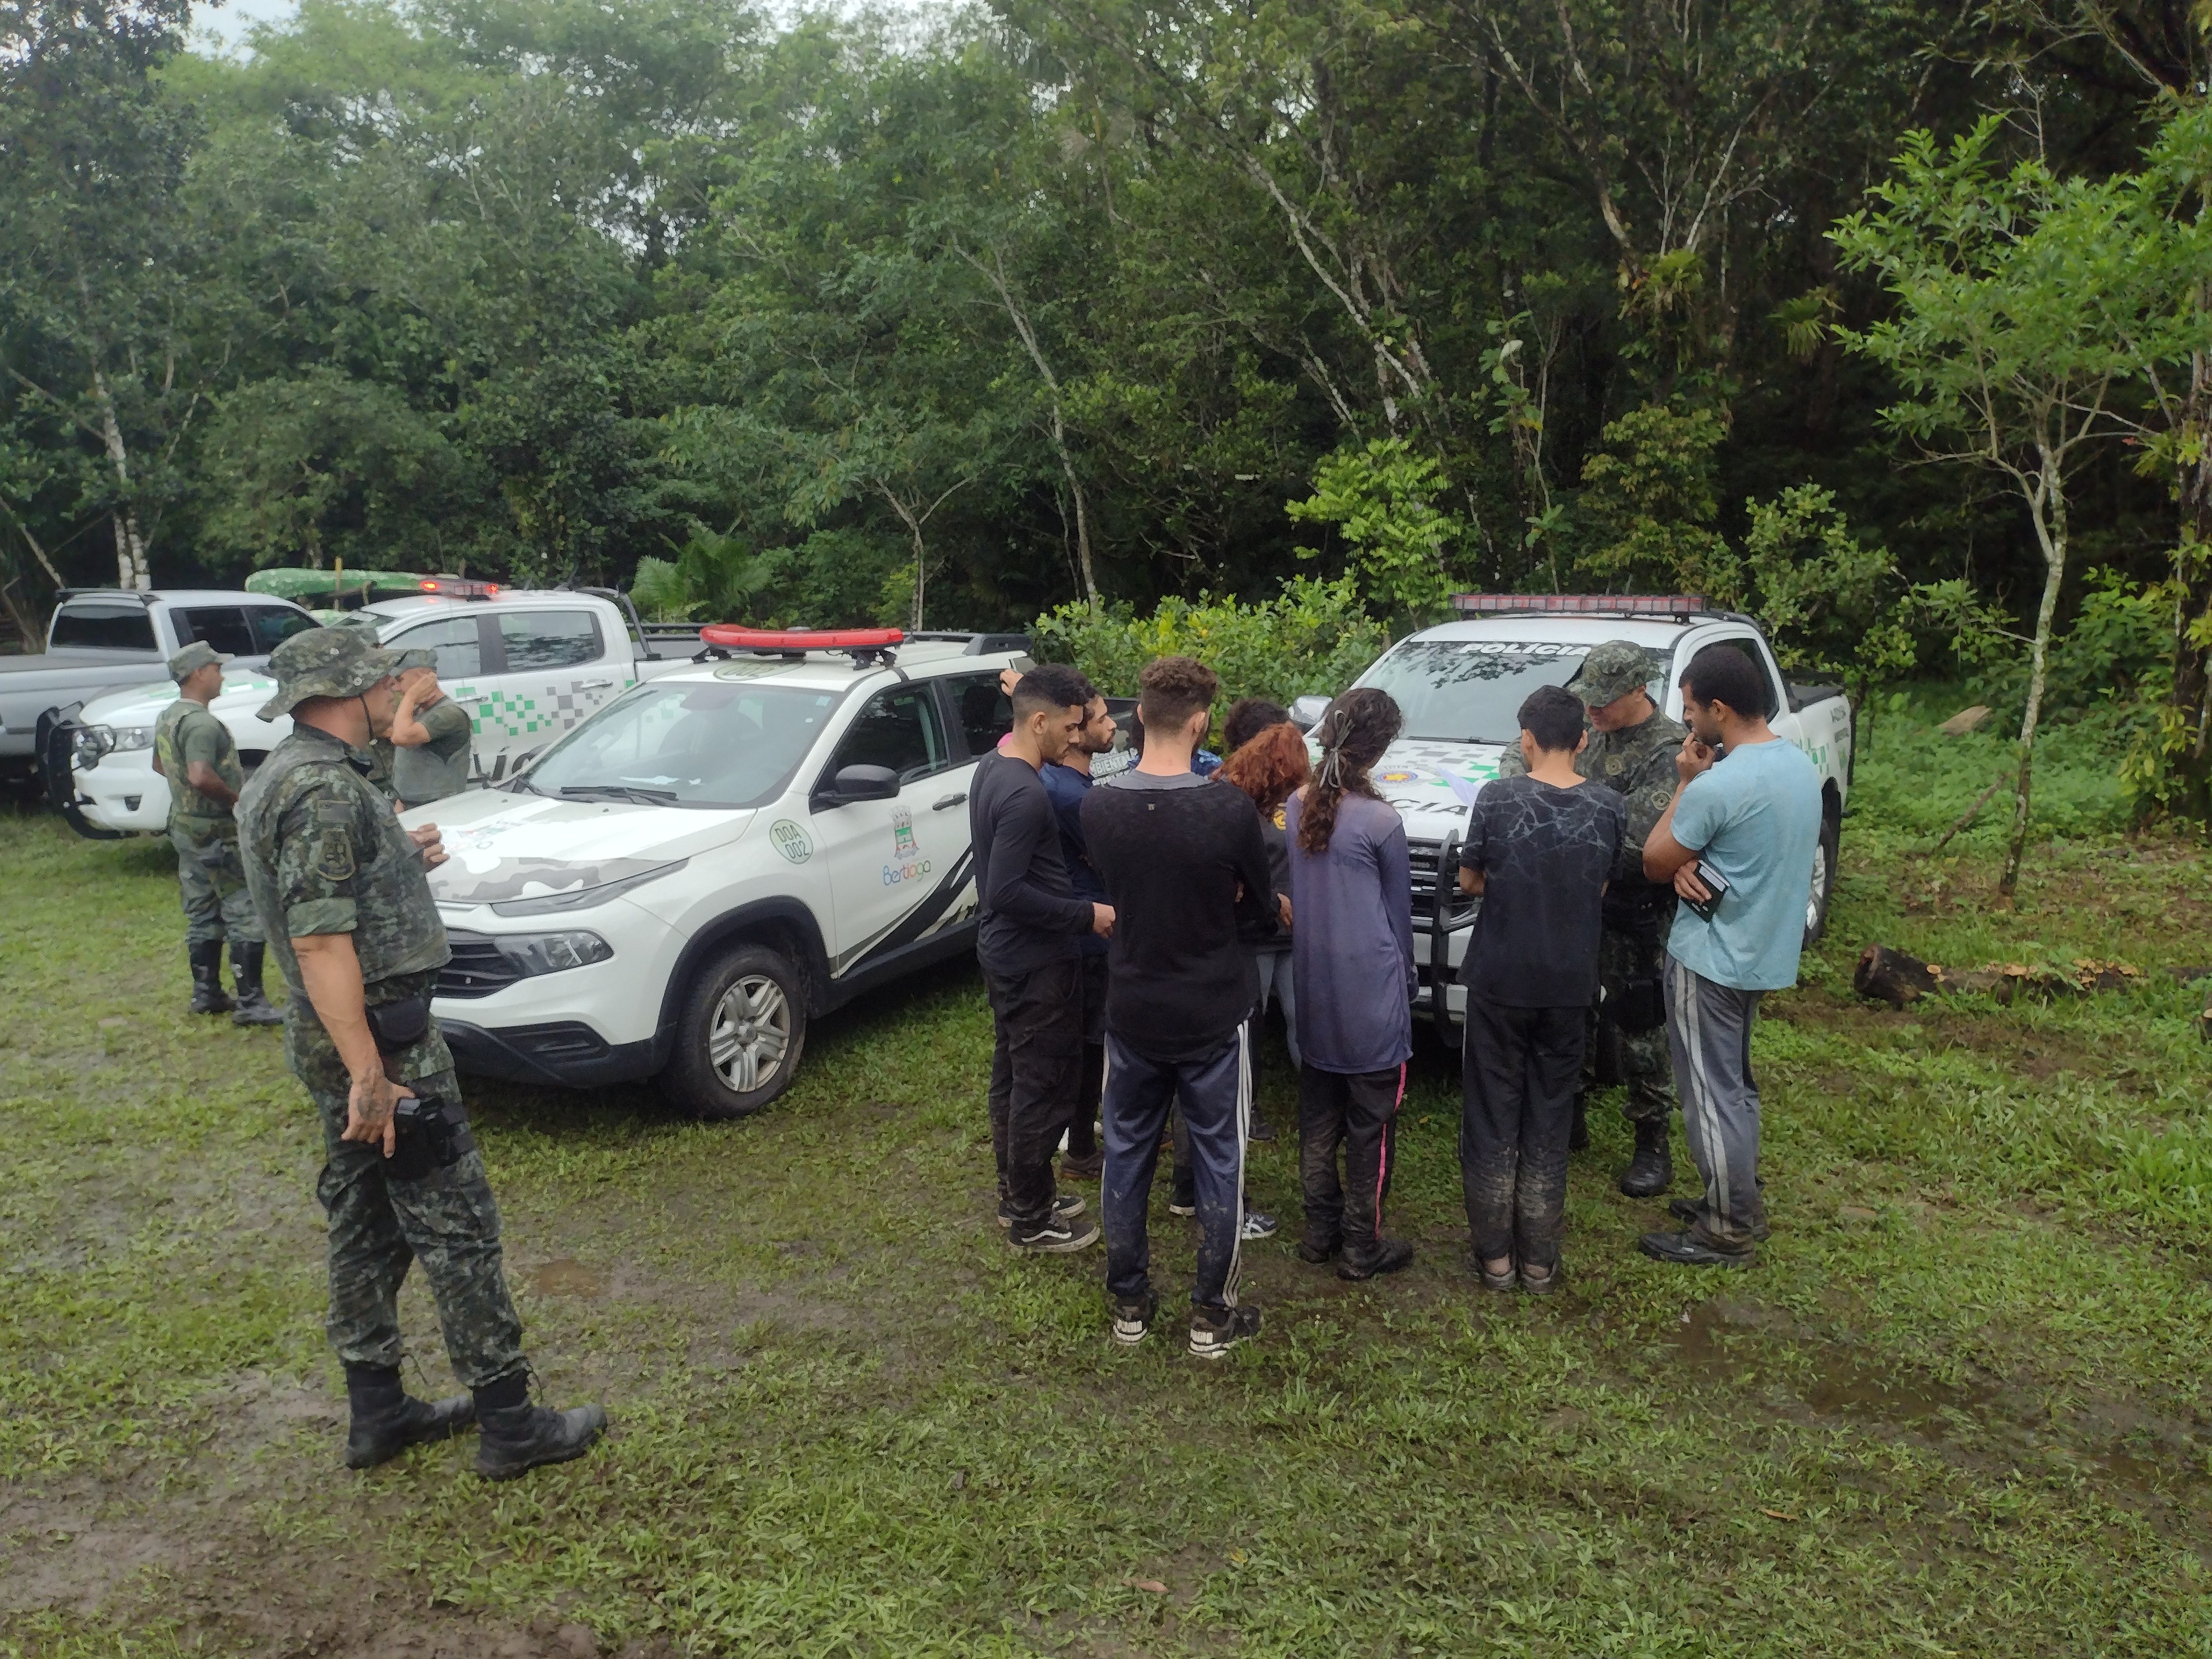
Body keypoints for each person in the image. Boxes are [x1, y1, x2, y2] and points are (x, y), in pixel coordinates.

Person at [236, 626, 607, 1478]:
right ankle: (511, 1423)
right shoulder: (324, 792)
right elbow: (322, 941)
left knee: (365, 1223)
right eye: (380, 682)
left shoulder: (286, 778)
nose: (391, 693)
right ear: (350, 691)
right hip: (381, 1041)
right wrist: (372, 1073)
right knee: (458, 1228)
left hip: (340, 1035)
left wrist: (400, 861)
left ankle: (379, 1413)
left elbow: (328, 898)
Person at [1083, 655, 1277, 1358]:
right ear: (1200, 723)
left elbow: (1117, 892)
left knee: (1126, 1153)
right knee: (1220, 1157)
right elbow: (1260, 911)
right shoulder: (1227, 808)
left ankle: (1129, 1302)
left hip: (1133, 1005)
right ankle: (1211, 1315)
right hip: (1211, 1013)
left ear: (1139, 716)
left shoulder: (1098, 805)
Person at [1637, 643, 1822, 1266]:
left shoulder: (1722, 784)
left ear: (1718, 708)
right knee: (1735, 1086)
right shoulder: (1795, 766)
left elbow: (1654, 860)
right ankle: (1736, 1197)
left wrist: (1685, 786)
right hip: (1762, 951)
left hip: (1709, 957)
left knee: (1711, 1094)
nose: (1687, 723)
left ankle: (1726, 1228)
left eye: (1690, 710)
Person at [1493, 640, 1688, 1194]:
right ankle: (1567, 1117)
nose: (1594, 711)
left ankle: (1651, 1140)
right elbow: (1519, 757)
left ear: (1639, 690)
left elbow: (1643, 845)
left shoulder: (1667, 749)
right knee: (1570, 1012)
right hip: (1575, 905)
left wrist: (1553, 826)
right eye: (1589, 701)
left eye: (1605, 701)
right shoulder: (1584, 725)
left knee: (1639, 1026)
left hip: (1633, 910)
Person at [1456, 685, 1626, 1293]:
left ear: (1525, 740)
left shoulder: (1497, 797)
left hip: (1500, 979)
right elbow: (1600, 887)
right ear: (1583, 739)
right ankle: (1537, 1260)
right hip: (1569, 985)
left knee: (1492, 1116)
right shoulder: (1608, 805)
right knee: (1549, 1118)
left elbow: (1470, 879)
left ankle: (1495, 1259)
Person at [971, 662, 1112, 1251]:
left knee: (1012, 1075)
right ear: (1038, 721)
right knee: (1042, 1087)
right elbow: (1004, 892)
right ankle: (1031, 1217)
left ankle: (1017, 1194)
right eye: (1070, 727)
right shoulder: (1028, 795)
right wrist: (1088, 915)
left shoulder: (992, 767)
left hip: (1005, 956)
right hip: (1033, 962)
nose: (1075, 737)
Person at [1284, 687, 1417, 1281]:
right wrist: (1406, 987)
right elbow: (1397, 920)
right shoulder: (1382, 822)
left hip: (1314, 993)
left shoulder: (1295, 805)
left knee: (1318, 1122)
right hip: (1371, 1002)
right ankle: (1361, 1243)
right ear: (1381, 747)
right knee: (1371, 1128)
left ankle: (1320, 1232)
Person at [151, 641, 284, 1026]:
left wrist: (188, 799)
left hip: (186, 827)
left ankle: (206, 993)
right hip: (218, 832)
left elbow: (162, 765)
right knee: (244, 907)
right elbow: (199, 774)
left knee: (202, 908)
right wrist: (234, 801)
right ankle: (251, 1002)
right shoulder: (202, 724)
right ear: (198, 674)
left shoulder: (169, 717)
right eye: (216, 668)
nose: (221, 675)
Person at [1037, 689, 1120, 1182]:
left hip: (1083, 928)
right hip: (1091, 935)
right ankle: (1083, 1149)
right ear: (1076, 733)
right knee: (1091, 1044)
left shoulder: (1062, 784)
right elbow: (1110, 859)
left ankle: (1081, 1137)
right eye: (1102, 719)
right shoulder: (1072, 796)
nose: (1112, 726)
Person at [1215, 700, 1307, 1130]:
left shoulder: (1297, 791)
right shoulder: (1233, 795)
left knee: (1303, 1016)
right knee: (1249, 1022)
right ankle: (1244, 1108)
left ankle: (1318, 1104)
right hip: (1256, 932)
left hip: (1298, 931)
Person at [387, 652, 476, 810]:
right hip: (412, 808)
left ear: (422, 678)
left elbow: (401, 737)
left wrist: (412, 695)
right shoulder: (416, 711)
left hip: (438, 808)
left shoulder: (449, 714)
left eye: (400, 680)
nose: (398, 688)